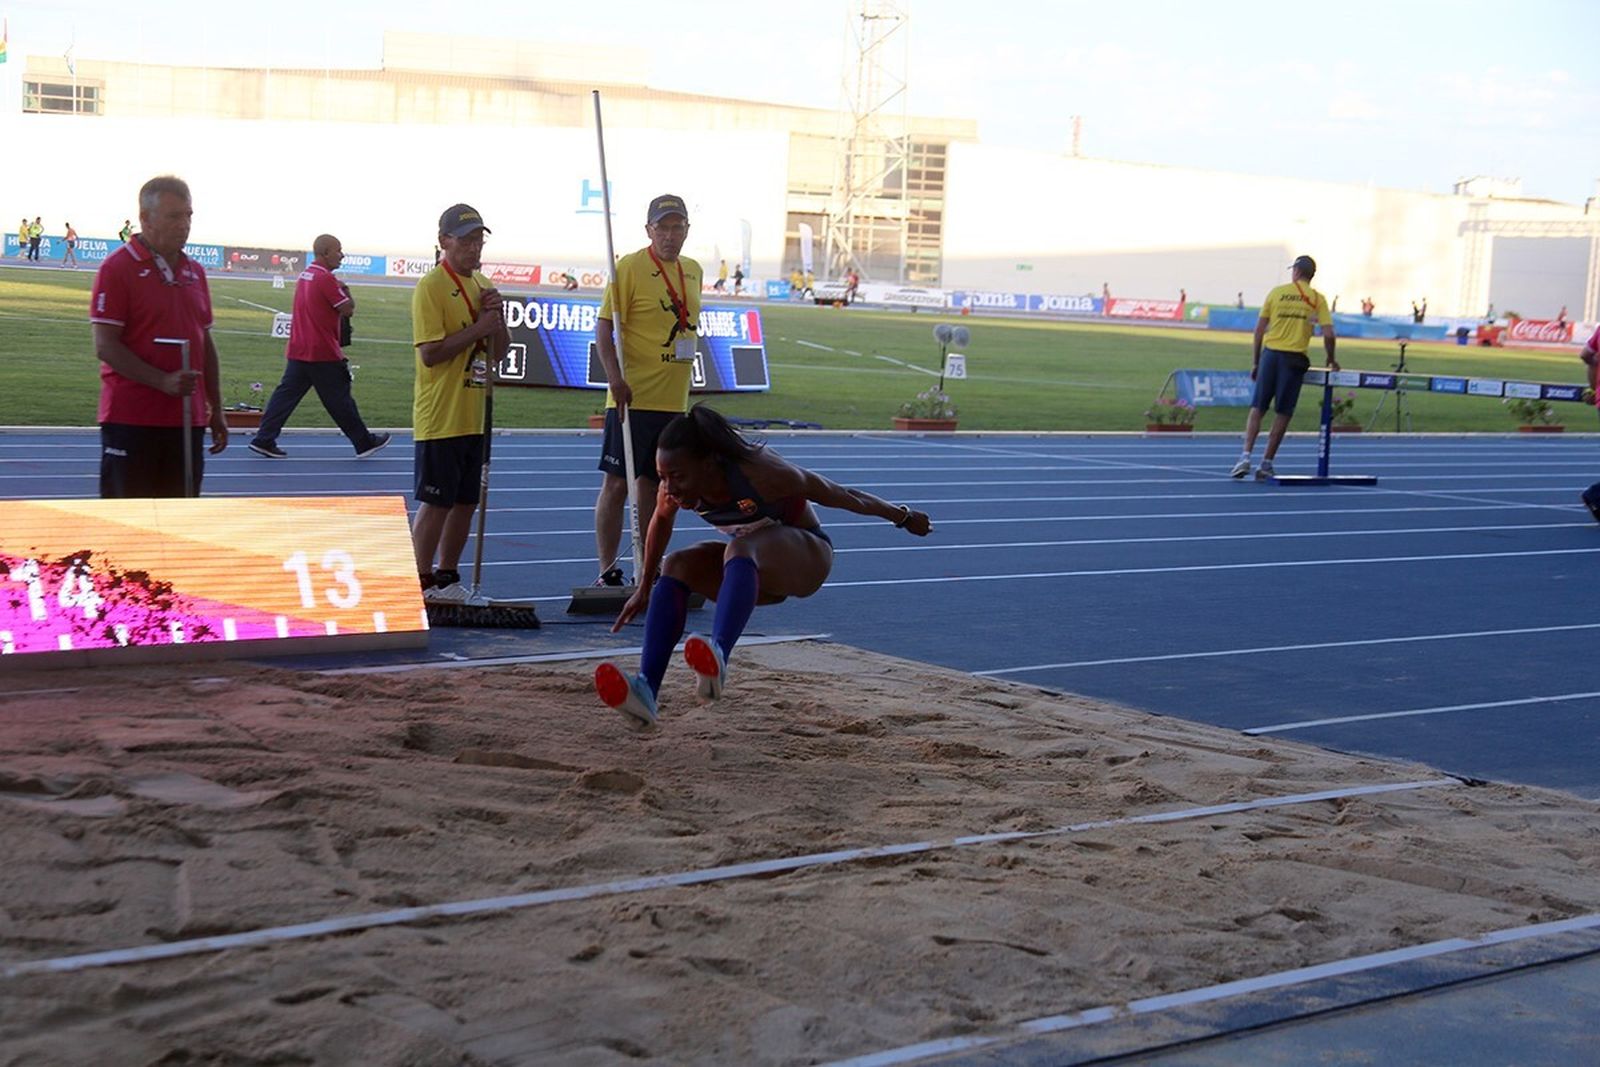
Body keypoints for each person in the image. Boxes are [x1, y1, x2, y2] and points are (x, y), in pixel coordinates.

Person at [594, 404, 933, 726]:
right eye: (662, 476)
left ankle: (718, 657)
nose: (669, 488)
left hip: (807, 558)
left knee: (740, 548)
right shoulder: (672, 489)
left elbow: (844, 495)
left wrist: (902, 516)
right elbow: (660, 523)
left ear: (710, 462)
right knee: (678, 564)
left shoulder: (762, 473)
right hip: (753, 574)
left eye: (678, 476)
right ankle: (645, 691)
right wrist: (643, 589)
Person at [89, 175, 228, 497]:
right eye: (174, 216)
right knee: (127, 523)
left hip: (186, 422)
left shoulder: (196, 272)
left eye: (188, 215)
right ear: (145, 219)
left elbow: (204, 342)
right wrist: (161, 381)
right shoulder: (117, 268)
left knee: (180, 522)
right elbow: (105, 345)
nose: (184, 225)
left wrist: (215, 407)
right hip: (131, 419)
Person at [591, 194, 703, 588]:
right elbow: (604, 327)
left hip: (672, 401)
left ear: (687, 230)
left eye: (677, 227)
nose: (670, 235)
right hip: (631, 398)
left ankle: (647, 566)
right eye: (663, 228)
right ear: (649, 230)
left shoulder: (694, 270)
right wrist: (615, 378)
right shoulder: (629, 268)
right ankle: (608, 569)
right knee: (617, 483)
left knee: (657, 490)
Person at [410, 203, 509, 598]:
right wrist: (478, 327)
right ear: (444, 241)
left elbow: (499, 351)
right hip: (442, 414)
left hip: (474, 414)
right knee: (436, 502)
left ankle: (448, 576)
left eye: (478, 239)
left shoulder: (481, 285)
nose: (474, 248)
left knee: (466, 502)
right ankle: (420, 578)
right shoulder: (431, 287)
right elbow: (430, 353)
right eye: (465, 239)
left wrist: (496, 320)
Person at [248, 234, 390, 460]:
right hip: (322, 351)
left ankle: (264, 438)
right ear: (325, 252)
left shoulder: (305, 275)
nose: (342, 255)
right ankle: (363, 443)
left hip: (299, 348)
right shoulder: (326, 279)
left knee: (285, 396)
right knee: (340, 400)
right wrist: (347, 290)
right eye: (338, 250)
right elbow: (347, 309)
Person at [1230, 255, 1338, 481]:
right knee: (1283, 412)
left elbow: (1259, 330)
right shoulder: (1317, 299)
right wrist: (1331, 358)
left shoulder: (1276, 293)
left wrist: (1256, 361)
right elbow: (1328, 334)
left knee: (1258, 407)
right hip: (1294, 359)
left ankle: (1245, 457)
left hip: (1270, 355)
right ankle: (1266, 463)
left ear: (1296, 271)